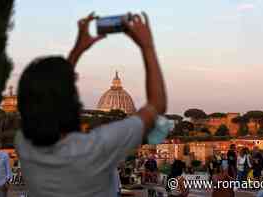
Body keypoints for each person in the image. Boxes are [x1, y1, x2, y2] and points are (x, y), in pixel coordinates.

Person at [15, 12, 167, 197]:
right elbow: (157, 104)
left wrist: (76, 50)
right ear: (73, 104)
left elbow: (54, 91)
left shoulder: (23, 144)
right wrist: (147, 45)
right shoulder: (97, 149)